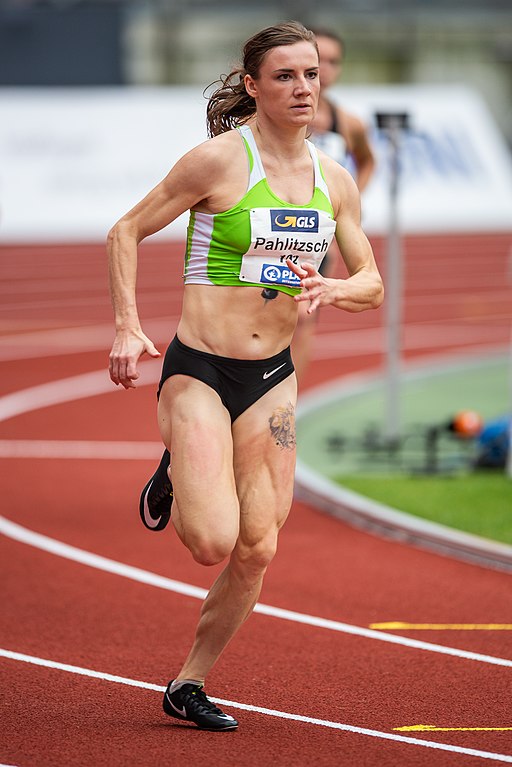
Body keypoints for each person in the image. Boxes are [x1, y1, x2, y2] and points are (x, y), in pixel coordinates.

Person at [107, 20, 383, 732]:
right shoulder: (217, 162)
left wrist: (332, 290)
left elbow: (371, 282)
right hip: (201, 366)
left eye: (311, 74)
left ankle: (187, 682)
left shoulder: (335, 179)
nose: (302, 87)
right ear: (253, 85)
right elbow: (126, 231)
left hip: (272, 376)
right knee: (211, 542)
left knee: (258, 545)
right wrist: (127, 322)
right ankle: (178, 461)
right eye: (285, 75)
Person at [291, 28, 376, 383]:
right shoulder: (283, 115)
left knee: (304, 316)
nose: (324, 69)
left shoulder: (348, 122)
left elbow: (368, 161)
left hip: (317, 235)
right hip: (269, 226)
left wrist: (353, 200)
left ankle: (288, 396)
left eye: (332, 61)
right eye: (317, 60)